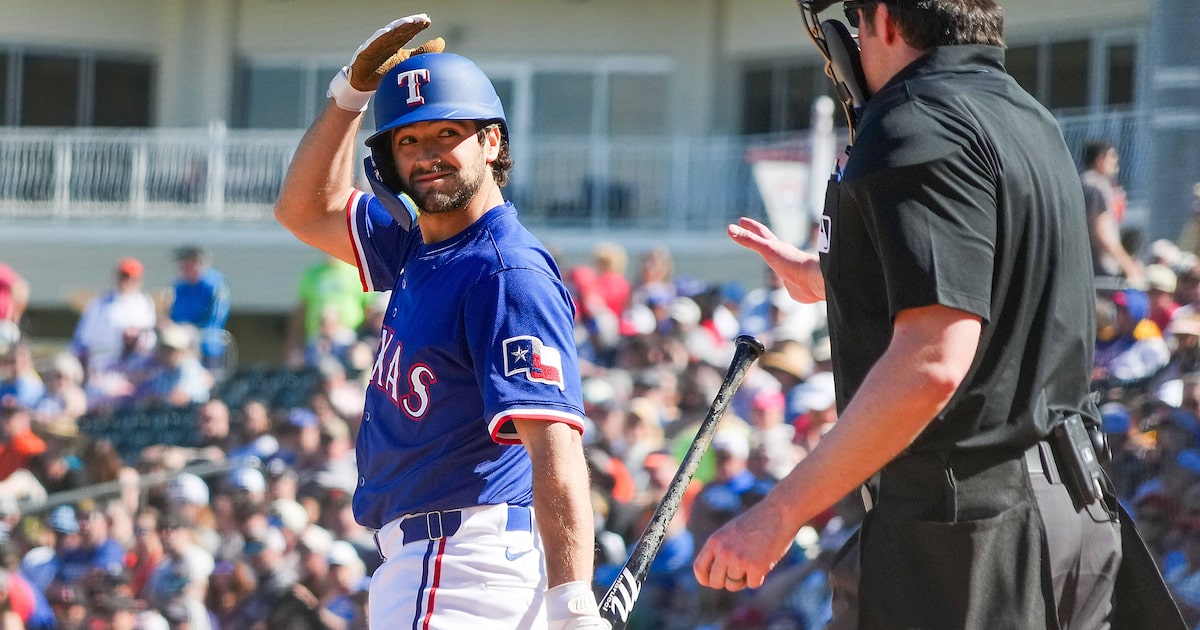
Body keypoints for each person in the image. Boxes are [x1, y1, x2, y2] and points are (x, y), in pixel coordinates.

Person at [694, 1, 1179, 628]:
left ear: (887, 21)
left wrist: (778, 514)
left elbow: (932, 363)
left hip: (970, 537)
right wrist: (827, 277)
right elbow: (980, 278)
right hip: (1071, 515)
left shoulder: (913, 120)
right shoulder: (1026, 114)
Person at [273, 14, 605, 630]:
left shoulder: (505, 272)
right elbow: (303, 208)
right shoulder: (420, 245)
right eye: (408, 141)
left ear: (492, 142)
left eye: (446, 133)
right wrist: (350, 95)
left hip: (460, 562)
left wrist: (572, 601)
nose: (427, 156)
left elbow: (554, 446)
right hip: (438, 560)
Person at [70, 257, 157, 376]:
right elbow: (83, 340)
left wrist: (135, 336)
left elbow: (150, 337)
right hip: (103, 366)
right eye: (124, 277)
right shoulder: (100, 303)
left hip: (135, 367)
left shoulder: (145, 303)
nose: (127, 281)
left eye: (132, 278)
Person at [1082, 139, 1143, 285]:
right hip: (1100, 267)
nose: (1116, 164)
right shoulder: (1096, 187)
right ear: (1100, 160)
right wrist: (1128, 265)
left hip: (1083, 264)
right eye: (1112, 157)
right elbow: (1102, 233)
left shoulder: (1080, 183)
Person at [167, 246, 232, 374]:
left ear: (197, 262)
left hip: (207, 348)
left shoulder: (215, 285)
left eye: (187, 263)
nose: (182, 268)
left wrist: (190, 330)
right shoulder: (179, 287)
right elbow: (174, 315)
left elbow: (215, 317)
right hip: (181, 348)